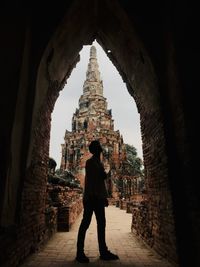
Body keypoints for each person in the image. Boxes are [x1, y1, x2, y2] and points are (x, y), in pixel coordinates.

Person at [76, 140, 119, 263]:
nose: (101, 148)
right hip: (91, 198)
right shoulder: (91, 163)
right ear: (95, 149)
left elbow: (101, 182)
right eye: (99, 147)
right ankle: (80, 252)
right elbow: (95, 181)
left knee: (101, 224)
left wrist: (104, 197)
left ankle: (103, 251)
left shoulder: (98, 163)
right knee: (85, 224)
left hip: (98, 197)